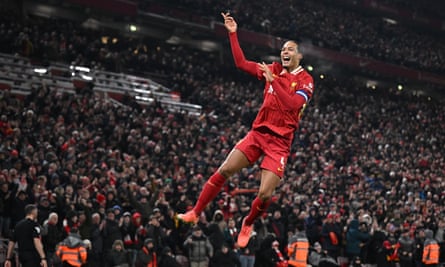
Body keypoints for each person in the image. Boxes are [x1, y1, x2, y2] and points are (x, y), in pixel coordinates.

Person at [177, 11, 314, 249]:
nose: (285, 52)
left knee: (264, 195)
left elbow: (292, 105)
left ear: (300, 55)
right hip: (258, 134)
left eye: (290, 49)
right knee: (225, 169)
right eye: (283, 49)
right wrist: (233, 35)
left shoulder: (306, 81)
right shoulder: (273, 69)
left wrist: (273, 82)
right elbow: (241, 63)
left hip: (280, 143)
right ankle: (195, 212)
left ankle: (248, 223)